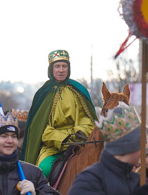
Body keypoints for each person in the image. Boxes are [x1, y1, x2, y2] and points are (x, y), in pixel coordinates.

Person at [20, 50, 96, 180]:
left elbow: (88, 120)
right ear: (51, 69)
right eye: (57, 66)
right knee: (43, 170)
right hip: (52, 148)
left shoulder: (79, 90)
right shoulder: (42, 94)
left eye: (64, 66)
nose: (61, 70)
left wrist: (81, 133)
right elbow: (40, 129)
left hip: (79, 144)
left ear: (69, 68)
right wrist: (64, 139)